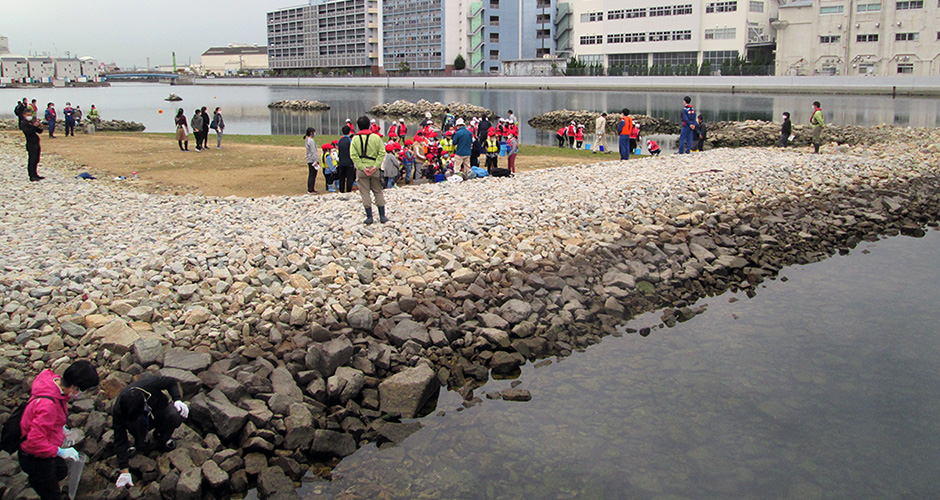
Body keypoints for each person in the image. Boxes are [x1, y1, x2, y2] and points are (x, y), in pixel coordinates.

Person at [18, 360, 99, 500]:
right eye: (82, 390)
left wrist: (61, 429)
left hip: (46, 445)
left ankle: (40, 483)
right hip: (34, 456)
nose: (82, 393)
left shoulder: (51, 382)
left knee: (60, 470)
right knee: (51, 493)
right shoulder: (48, 406)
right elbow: (34, 442)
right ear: (74, 387)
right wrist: (61, 451)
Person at [112, 376, 188, 490]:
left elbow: (171, 382)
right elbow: (120, 438)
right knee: (137, 424)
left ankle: (162, 436)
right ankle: (141, 442)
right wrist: (124, 470)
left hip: (159, 411)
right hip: (138, 424)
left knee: (177, 414)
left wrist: (177, 399)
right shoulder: (118, 409)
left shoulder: (148, 384)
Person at [350, 115, 387, 224]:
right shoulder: (376, 138)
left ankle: (369, 216)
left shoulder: (355, 139)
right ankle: (382, 216)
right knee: (378, 191)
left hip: (362, 170)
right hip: (375, 169)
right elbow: (381, 152)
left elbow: (353, 155)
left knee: (365, 193)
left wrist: (362, 167)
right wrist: (376, 166)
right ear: (370, 125)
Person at [20, 108, 44, 181]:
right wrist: (33, 126)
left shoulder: (30, 122)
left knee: (36, 159)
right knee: (32, 159)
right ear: (24, 115)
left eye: (30, 115)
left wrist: (39, 126)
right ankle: (32, 175)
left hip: (36, 142)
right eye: (28, 115)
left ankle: (35, 174)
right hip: (31, 143)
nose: (29, 116)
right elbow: (28, 132)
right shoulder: (24, 123)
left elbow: (39, 131)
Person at [337, 125, 356, 193]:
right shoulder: (350, 140)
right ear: (349, 131)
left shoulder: (340, 140)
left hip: (341, 161)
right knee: (349, 177)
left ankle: (341, 190)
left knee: (341, 177)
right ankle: (348, 190)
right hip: (349, 161)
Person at [305, 127, 319, 194]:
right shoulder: (311, 141)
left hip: (309, 159)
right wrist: (316, 160)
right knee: (313, 175)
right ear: (311, 133)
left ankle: (310, 188)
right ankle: (311, 189)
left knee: (311, 174)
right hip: (312, 160)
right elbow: (313, 151)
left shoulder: (307, 140)